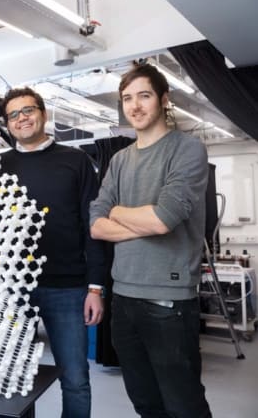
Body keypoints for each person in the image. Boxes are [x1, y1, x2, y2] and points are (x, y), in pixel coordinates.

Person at [89, 63, 212, 418]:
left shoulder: (187, 149)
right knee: (145, 402)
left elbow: (163, 219)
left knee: (184, 405)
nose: (135, 106)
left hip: (168, 301)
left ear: (163, 99)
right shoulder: (119, 160)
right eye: (127, 98)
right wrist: (142, 218)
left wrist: (120, 213)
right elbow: (96, 224)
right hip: (123, 299)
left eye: (144, 95)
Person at [0, 87, 106, 418]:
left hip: (67, 287)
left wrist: (95, 287)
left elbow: (94, 227)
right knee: (13, 379)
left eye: (28, 110)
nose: (21, 119)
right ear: (8, 124)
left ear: (43, 114)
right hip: (12, 290)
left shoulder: (75, 161)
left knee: (74, 378)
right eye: (13, 115)